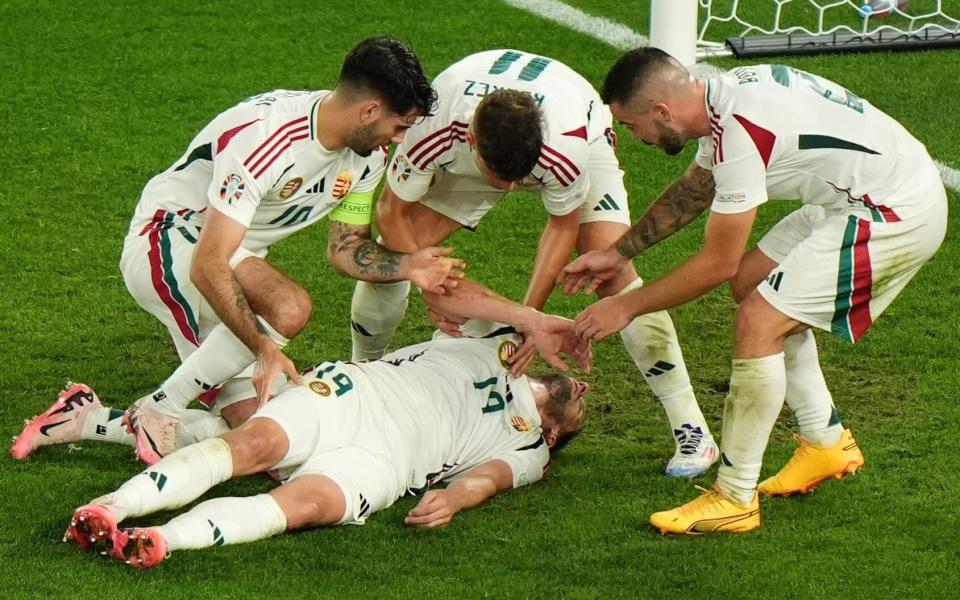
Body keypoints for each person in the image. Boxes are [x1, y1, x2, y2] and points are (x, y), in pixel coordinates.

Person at [11, 37, 465, 465]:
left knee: (264, 433)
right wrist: (264, 345)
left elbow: (344, 248)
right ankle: (159, 406)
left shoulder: (366, 158)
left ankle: (85, 418)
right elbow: (208, 263)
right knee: (289, 307)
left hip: (228, 254)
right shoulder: (268, 140)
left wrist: (408, 265)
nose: (400, 138)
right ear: (369, 110)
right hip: (169, 239)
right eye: (399, 125)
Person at [561, 48, 947, 534]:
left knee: (758, 321)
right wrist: (618, 253)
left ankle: (734, 496)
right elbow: (697, 190)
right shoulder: (722, 100)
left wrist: (626, 305)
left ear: (662, 111)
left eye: (634, 126)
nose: (637, 138)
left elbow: (717, 264)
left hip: (892, 212)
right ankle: (826, 442)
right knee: (752, 286)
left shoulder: (741, 130)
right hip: (850, 198)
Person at [349, 49, 716, 477]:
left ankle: (692, 430)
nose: (509, 189)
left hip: (571, 135)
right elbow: (391, 212)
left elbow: (561, 228)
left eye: (518, 178)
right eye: (501, 178)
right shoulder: (432, 127)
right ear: (471, 141)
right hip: (465, 154)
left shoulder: (565, 145)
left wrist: (529, 319)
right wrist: (428, 283)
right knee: (388, 261)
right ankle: (362, 374)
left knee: (611, 269)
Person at [63, 307, 589, 569]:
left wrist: (452, 497)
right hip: (354, 393)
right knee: (249, 445)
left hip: (388, 460)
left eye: (583, 406)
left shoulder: (530, 449)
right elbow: (454, 295)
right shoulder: (502, 339)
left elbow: (487, 480)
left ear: (555, 431)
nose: (584, 389)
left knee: (305, 505)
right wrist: (533, 319)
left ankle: (161, 541)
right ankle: (112, 508)